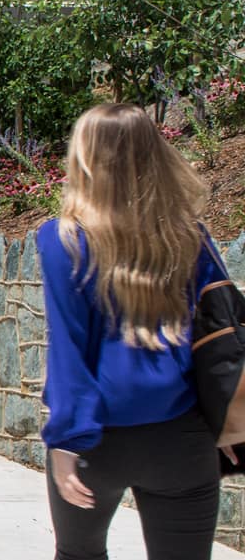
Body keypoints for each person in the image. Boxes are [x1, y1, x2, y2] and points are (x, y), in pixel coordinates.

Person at [40, 102, 231, 560]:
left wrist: (66, 440)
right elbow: (222, 329)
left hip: (96, 441)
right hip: (181, 438)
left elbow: (69, 350)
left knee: (79, 555)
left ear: (85, 158)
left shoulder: (63, 239)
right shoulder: (190, 237)